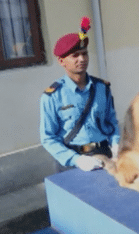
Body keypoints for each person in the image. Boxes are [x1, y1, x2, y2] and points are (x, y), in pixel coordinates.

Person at [40, 17, 120, 172]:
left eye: (84, 54)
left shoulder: (102, 88)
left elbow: (111, 121)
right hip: (71, 161)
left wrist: (116, 145)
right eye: (75, 55)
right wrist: (76, 160)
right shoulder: (52, 96)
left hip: (104, 154)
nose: (82, 59)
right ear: (61, 61)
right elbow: (48, 137)